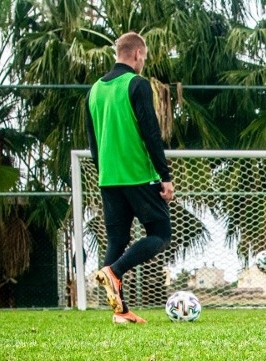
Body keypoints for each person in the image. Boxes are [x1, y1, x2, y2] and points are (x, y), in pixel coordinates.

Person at [86, 31, 175, 324]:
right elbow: (151, 132)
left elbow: (93, 143)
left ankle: (120, 312)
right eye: (144, 58)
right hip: (137, 174)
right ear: (137, 54)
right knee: (160, 234)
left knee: (117, 238)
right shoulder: (137, 84)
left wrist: (105, 174)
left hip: (108, 178)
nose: (143, 62)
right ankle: (114, 271)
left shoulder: (94, 90)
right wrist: (165, 176)